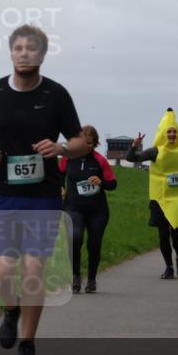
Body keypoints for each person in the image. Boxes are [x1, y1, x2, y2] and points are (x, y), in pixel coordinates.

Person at [0, 24, 85, 355]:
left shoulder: (57, 95)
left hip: (43, 196)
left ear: (42, 55)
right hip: (1, 195)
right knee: (0, 274)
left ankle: (28, 342)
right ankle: (10, 308)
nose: (24, 53)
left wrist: (61, 147)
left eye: (31, 49)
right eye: (18, 48)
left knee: (33, 269)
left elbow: (80, 142)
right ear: (10, 53)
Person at [126, 109, 178, 280]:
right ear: (163, 133)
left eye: (174, 131)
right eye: (168, 131)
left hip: (177, 198)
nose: (171, 134)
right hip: (159, 198)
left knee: (176, 234)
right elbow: (131, 158)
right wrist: (134, 145)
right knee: (163, 234)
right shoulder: (155, 151)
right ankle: (169, 266)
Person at [60, 125, 116, 293]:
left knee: (94, 244)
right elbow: (57, 175)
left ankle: (91, 279)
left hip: (97, 211)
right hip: (73, 207)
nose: (86, 146)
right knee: (75, 238)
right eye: (83, 143)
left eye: (90, 143)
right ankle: (75, 276)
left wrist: (101, 181)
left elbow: (113, 184)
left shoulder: (100, 160)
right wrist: (60, 188)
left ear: (95, 143)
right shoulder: (68, 158)